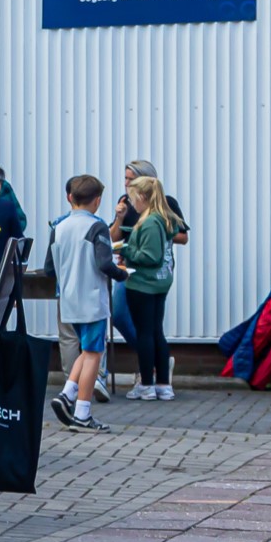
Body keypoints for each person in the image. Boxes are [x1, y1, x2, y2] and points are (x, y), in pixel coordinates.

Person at [44, 176, 126, 432]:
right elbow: (104, 263)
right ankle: (82, 413)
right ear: (98, 200)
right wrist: (122, 273)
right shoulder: (97, 227)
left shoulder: (58, 227)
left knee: (84, 351)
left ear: (70, 197)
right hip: (91, 299)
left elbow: (49, 269)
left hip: (68, 299)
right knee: (93, 354)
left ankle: (67, 393)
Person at [107, 160, 188, 392]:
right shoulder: (125, 204)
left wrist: (139, 243)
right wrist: (120, 218)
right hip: (136, 273)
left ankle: (149, 375)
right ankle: (156, 367)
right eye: (125, 179)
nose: (125, 184)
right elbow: (113, 236)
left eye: (130, 179)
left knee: (147, 330)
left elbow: (179, 237)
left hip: (143, 276)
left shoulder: (161, 208)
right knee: (127, 319)